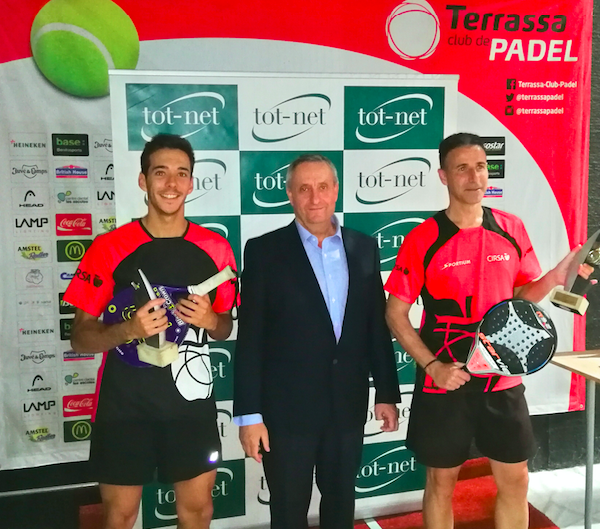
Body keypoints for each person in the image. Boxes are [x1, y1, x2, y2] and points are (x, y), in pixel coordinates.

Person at [384, 133, 592, 529]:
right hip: (447, 378)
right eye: (462, 168)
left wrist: (555, 276)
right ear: (444, 176)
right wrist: (432, 366)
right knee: (441, 483)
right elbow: (395, 313)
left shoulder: (510, 227)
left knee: (516, 480)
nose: (474, 177)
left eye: (480, 167)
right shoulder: (423, 238)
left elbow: (522, 298)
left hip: (502, 375)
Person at [64, 134, 237, 529]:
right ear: (143, 181)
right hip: (125, 408)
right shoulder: (108, 248)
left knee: (197, 512)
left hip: (190, 406)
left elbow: (225, 326)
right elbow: (80, 335)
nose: (171, 184)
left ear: (191, 183)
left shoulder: (216, 248)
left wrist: (211, 321)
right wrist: (127, 329)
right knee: (120, 516)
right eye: (160, 173)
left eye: (181, 174)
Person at [233, 154, 401, 529]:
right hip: (285, 412)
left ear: (336, 190)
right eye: (304, 188)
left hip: (347, 407)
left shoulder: (364, 247)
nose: (315, 198)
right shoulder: (263, 251)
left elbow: (376, 326)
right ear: (290, 194)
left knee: (341, 506)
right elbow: (251, 338)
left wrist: (387, 392)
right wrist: (249, 415)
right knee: (288, 510)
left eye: (323, 187)